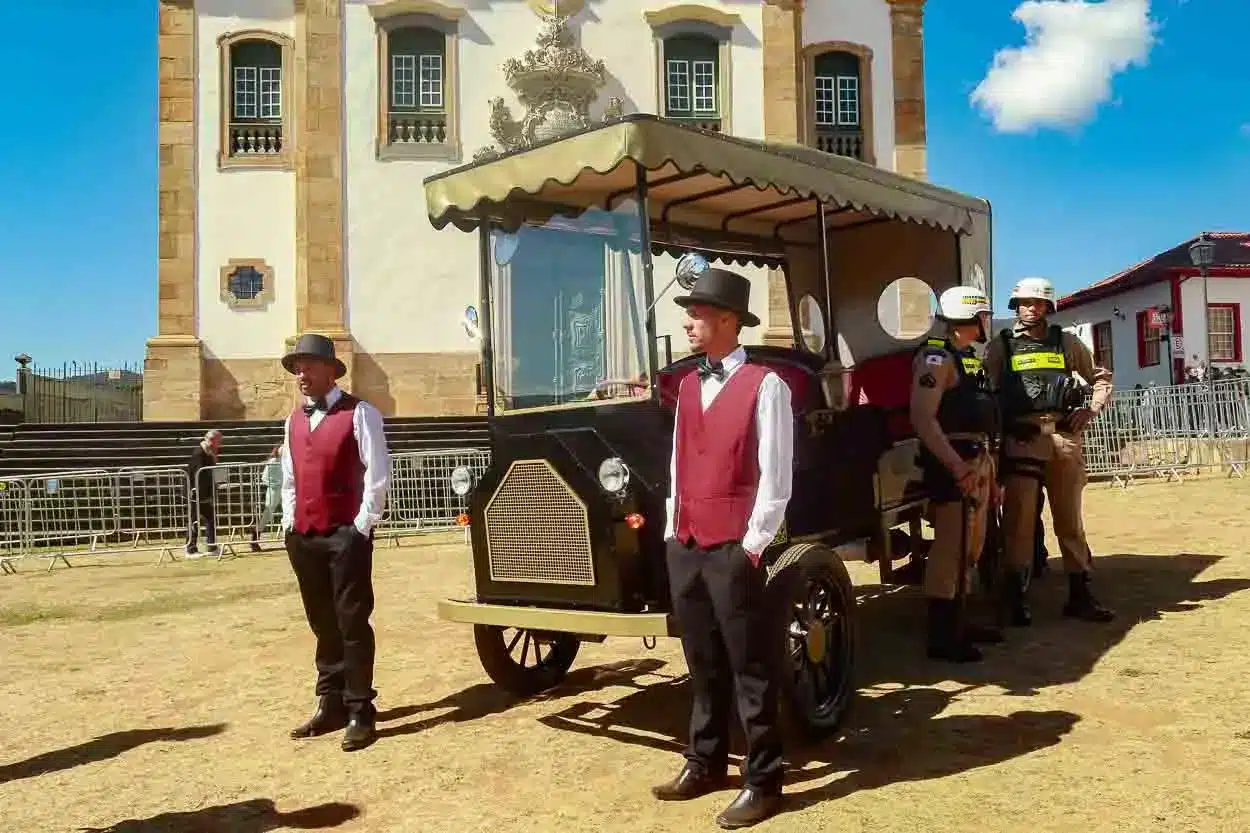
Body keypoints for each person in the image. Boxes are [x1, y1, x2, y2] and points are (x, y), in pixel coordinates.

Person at [651, 265, 792, 829]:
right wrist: (671, 527)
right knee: (700, 661)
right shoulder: (687, 384)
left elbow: (776, 476)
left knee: (750, 666)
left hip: (734, 545)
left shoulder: (768, 385)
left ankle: (764, 779)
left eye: (698, 313)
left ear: (729, 320)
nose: (688, 322)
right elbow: (679, 461)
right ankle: (705, 761)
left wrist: (752, 545)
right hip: (686, 542)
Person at [280, 334, 391, 752]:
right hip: (305, 536)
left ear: (330, 370)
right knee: (322, 622)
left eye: (307, 366)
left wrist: (362, 526)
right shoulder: (292, 420)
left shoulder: (360, 413)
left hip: (346, 534)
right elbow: (290, 477)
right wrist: (290, 524)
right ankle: (331, 702)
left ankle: (361, 707)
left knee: (352, 622)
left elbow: (377, 472)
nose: (300, 375)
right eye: (296, 368)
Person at [983, 277, 1115, 626]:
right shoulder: (1001, 347)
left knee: (1070, 520)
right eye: (1025, 302)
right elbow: (987, 397)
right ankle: (1014, 598)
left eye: (1039, 303)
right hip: (1021, 441)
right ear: (1015, 306)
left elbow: (1101, 377)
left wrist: (1092, 409)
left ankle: (1080, 594)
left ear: (1049, 307)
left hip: (1063, 438)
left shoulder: (1066, 343)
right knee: (1019, 523)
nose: (1032, 308)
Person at [909, 286, 1003, 663]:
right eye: (982, 316)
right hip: (953, 462)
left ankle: (960, 620)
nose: (985, 323)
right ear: (970, 318)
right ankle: (942, 635)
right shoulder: (936, 357)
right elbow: (923, 418)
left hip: (975, 458)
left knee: (971, 545)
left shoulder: (967, 358)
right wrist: (956, 466)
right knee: (950, 548)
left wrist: (989, 475)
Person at [185, 429, 222, 558]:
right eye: (218, 441)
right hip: (196, 493)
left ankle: (211, 546)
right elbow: (199, 474)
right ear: (211, 440)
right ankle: (190, 549)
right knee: (194, 520)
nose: (219, 444)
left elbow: (211, 470)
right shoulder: (199, 453)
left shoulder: (208, 452)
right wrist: (200, 493)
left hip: (205, 493)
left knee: (210, 519)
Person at [250, 445, 283, 552]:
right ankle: (255, 535)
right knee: (268, 513)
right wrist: (275, 484)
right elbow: (264, 477)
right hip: (274, 490)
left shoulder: (288, 460)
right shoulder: (273, 462)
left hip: (286, 489)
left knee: (291, 512)